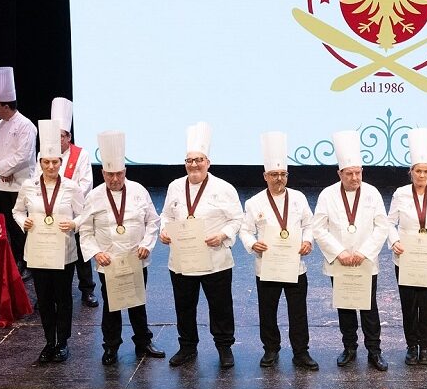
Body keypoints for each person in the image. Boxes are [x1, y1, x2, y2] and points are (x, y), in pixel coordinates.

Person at [159, 122, 244, 369]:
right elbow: (165, 215)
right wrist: (165, 231)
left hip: (215, 258)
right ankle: (187, 347)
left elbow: (237, 218)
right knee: (184, 307)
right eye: (189, 160)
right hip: (183, 260)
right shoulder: (175, 186)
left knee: (220, 307)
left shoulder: (223, 188)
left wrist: (223, 235)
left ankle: (224, 347)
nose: (194, 164)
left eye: (199, 159)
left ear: (208, 161)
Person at [79, 130, 165, 365]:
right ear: (102, 173)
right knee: (111, 306)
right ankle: (111, 346)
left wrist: (147, 244)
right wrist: (97, 253)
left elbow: (153, 221)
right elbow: (85, 231)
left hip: (136, 258)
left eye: (118, 174)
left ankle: (143, 342)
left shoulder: (139, 191)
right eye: (110, 174)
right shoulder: (94, 196)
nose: (115, 179)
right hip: (109, 261)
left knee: (138, 301)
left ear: (125, 172)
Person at [239, 131, 319, 370]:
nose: (279, 179)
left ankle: (301, 352)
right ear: (265, 176)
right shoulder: (254, 202)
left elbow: (309, 225)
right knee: (268, 311)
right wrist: (253, 244)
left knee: (298, 312)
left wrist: (308, 241)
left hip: (295, 265)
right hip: (267, 266)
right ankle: (271, 350)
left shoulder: (299, 198)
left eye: (282, 174)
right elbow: (245, 230)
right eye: (274, 174)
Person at [313, 129, 390, 372]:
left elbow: (382, 226)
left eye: (358, 173)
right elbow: (318, 228)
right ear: (340, 174)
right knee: (345, 306)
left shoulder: (373, 193)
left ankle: (374, 350)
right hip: (340, 262)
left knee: (369, 307)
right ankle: (349, 347)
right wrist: (340, 252)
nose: (355, 178)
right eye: (349, 173)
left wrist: (364, 252)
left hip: (365, 261)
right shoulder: (327, 195)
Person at [12, 119, 81, 363]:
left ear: (60, 163)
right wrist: (24, 223)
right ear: (40, 163)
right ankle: (48, 341)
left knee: (63, 298)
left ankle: (62, 342)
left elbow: (84, 215)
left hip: (64, 251)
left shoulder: (72, 187)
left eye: (55, 162)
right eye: (46, 162)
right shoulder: (28, 186)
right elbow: (17, 211)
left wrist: (74, 223)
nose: (51, 166)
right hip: (39, 251)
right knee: (44, 298)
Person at [387, 127, 427, 367]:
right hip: (405, 258)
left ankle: (426, 347)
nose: (421, 175)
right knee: (408, 304)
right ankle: (411, 346)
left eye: (425, 171)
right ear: (411, 172)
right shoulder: (400, 194)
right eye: (418, 171)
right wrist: (394, 241)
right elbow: (390, 222)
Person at [0, 67, 37, 277]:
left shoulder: (26, 126)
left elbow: (22, 156)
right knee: (10, 225)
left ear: (6, 106)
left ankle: (29, 262)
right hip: (3, 183)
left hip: (22, 184)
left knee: (22, 226)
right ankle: (18, 259)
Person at [50, 97, 98, 308]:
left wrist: (66, 199)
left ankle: (87, 290)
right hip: (52, 210)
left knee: (81, 252)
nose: (56, 140)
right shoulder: (45, 154)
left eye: (59, 136)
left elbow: (86, 183)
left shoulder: (82, 155)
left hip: (76, 210)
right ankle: (56, 291)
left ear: (68, 136)